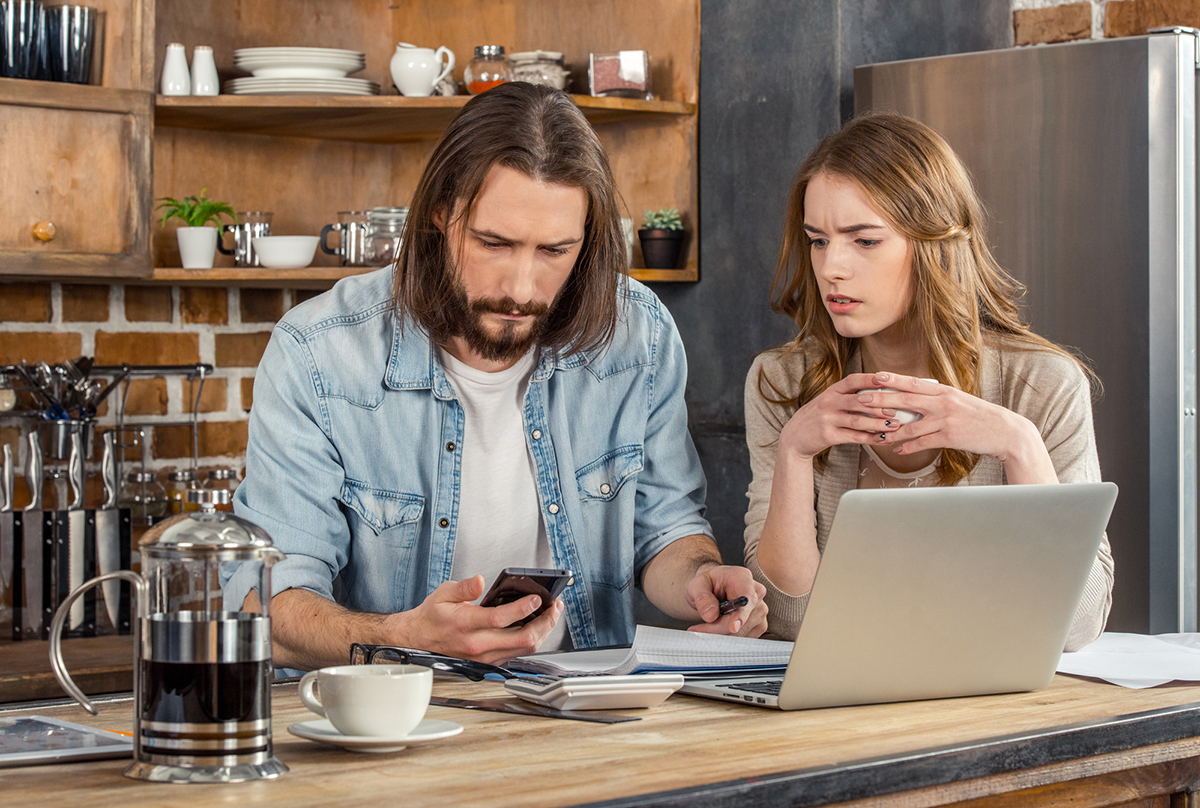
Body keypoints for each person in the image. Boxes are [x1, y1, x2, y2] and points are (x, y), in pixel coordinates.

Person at [228, 82, 767, 672]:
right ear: (441, 211)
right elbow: (271, 608)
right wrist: (404, 636)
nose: (521, 288)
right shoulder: (318, 353)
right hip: (394, 724)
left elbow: (665, 528)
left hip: (586, 718)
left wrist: (700, 578)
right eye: (493, 242)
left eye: (554, 251)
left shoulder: (638, 332)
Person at [743, 113, 1113, 651]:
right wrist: (796, 452)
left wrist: (1020, 445)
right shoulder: (782, 381)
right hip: (833, 713)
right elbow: (788, 619)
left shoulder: (1042, 385)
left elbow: (1077, 625)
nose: (832, 268)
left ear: (937, 241)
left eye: (864, 240)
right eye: (818, 241)